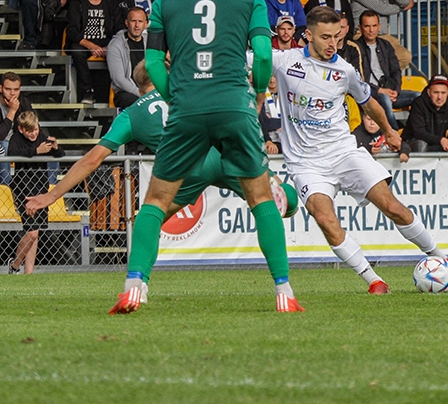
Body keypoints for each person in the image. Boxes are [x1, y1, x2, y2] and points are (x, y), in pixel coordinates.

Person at [111, 0, 300, 314]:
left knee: (155, 203)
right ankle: (284, 292)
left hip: (187, 108)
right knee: (261, 197)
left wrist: (174, 96)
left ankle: (134, 286)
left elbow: (148, 65)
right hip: (235, 104)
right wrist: (259, 95)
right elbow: (263, 57)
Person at [24, 61, 299, 290]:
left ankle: (138, 282)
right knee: (275, 201)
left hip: (185, 170)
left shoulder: (131, 115)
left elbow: (91, 160)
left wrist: (52, 194)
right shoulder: (188, 91)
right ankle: (281, 198)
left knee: (151, 218)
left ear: (137, 85)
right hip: (221, 155)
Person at [270, 6, 448, 294]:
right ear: (308, 35)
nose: (332, 44)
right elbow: (243, 58)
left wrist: (391, 131)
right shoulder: (283, 61)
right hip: (306, 164)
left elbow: (370, 102)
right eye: (325, 37)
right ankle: (373, 280)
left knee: (394, 208)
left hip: (344, 152)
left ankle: (442, 258)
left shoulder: (344, 70)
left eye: (337, 37)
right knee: (325, 219)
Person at [7, 111, 64, 274]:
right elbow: (12, 154)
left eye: (35, 129)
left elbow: (61, 155)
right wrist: (35, 151)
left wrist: (56, 147)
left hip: (40, 190)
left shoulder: (41, 135)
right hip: (23, 190)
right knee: (31, 233)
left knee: (35, 232)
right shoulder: (16, 139)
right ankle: (15, 266)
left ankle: (28, 272)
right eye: (29, 131)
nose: (33, 133)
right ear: (21, 129)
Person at [67, 0, 121, 104]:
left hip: (107, 42)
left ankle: (119, 90)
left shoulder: (111, 3)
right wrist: (92, 46)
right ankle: (87, 91)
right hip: (84, 43)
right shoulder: (77, 2)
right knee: (76, 51)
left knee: (121, 50)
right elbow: (72, 31)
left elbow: (119, 29)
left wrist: (109, 47)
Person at [357, 10, 417, 130]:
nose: (371, 30)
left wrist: (396, 91)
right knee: (385, 99)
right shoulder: (355, 48)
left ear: (379, 27)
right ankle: (394, 134)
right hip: (369, 95)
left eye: (374, 26)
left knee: (418, 96)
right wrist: (380, 90)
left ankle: (411, 132)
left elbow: (396, 71)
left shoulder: (386, 45)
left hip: (389, 92)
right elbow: (358, 79)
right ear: (360, 28)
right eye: (367, 26)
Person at [399, 74, 448, 158]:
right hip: (414, 142)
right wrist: (441, 140)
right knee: (421, 144)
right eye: (436, 92)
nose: (440, 97)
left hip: (439, 143)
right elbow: (419, 132)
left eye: (443, 93)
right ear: (429, 92)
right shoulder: (418, 103)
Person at [106, 6, 146, 107]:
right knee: (136, 102)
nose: (137, 25)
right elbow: (118, 79)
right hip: (126, 93)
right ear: (126, 23)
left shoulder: (150, 43)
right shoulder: (115, 44)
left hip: (148, 90)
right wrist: (140, 93)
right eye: (133, 21)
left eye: (140, 21)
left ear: (146, 24)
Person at [0, 72, 35, 186]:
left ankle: (49, 191)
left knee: (50, 148)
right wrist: (12, 111)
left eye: (16, 89)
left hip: (19, 141)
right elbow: (1, 135)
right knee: (4, 147)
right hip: (2, 143)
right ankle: (5, 190)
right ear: (1, 88)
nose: (12, 93)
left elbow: (32, 126)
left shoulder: (24, 102)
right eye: (8, 89)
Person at [259, 75, 281, 154]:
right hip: (268, 141)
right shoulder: (260, 96)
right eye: (269, 77)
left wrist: (271, 121)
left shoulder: (287, 95)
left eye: (274, 76)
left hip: (286, 142)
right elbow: (263, 121)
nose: (271, 80)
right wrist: (281, 124)